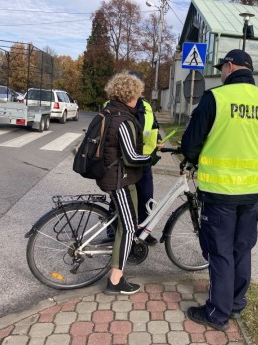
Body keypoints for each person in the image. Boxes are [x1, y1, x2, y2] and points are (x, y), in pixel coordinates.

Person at [181, 49, 258, 330]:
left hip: (220, 190)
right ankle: (236, 303)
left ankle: (217, 313)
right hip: (253, 192)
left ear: (229, 67)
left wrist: (196, 158)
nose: (221, 73)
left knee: (219, 251)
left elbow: (190, 146)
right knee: (242, 248)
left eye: (221, 68)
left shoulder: (216, 98)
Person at [97, 71, 160, 294]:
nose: (139, 98)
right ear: (131, 95)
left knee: (128, 219)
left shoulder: (111, 112)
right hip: (119, 178)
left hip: (116, 175)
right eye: (138, 94)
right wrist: (150, 158)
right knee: (129, 226)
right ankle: (115, 281)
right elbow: (131, 157)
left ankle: (117, 269)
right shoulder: (122, 119)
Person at [103, 71, 162, 245]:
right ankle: (113, 234)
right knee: (119, 201)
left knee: (146, 198)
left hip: (143, 161)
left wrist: (157, 140)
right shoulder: (112, 106)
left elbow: (153, 126)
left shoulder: (146, 106)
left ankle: (143, 231)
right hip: (122, 162)